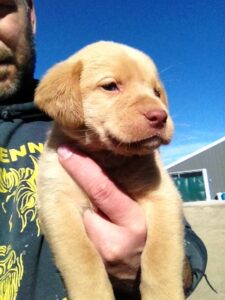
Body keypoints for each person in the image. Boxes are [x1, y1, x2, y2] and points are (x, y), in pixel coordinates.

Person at [0, 1, 207, 299]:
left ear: (31, 16)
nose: (157, 109)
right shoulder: (58, 150)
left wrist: (158, 278)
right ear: (66, 98)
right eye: (111, 86)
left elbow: (165, 207)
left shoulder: (135, 153)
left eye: (156, 92)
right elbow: (59, 211)